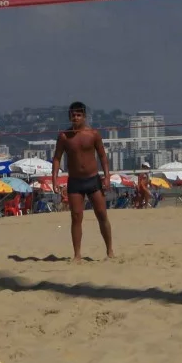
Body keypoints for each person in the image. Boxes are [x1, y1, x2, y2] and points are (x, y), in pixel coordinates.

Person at [51, 101, 114, 262]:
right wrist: (54, 179)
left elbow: (103, 157)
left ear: (84, 116)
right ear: (70, 116)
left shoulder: (93, 134)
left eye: (79, 115)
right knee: (76, 217)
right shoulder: (64, 137)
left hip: (93, 179)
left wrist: (107, 177)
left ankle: (110, 251)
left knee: (102, 215)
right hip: (75, 181)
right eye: (73, 115)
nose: (76, 118)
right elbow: (57, 158)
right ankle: (77, 254)